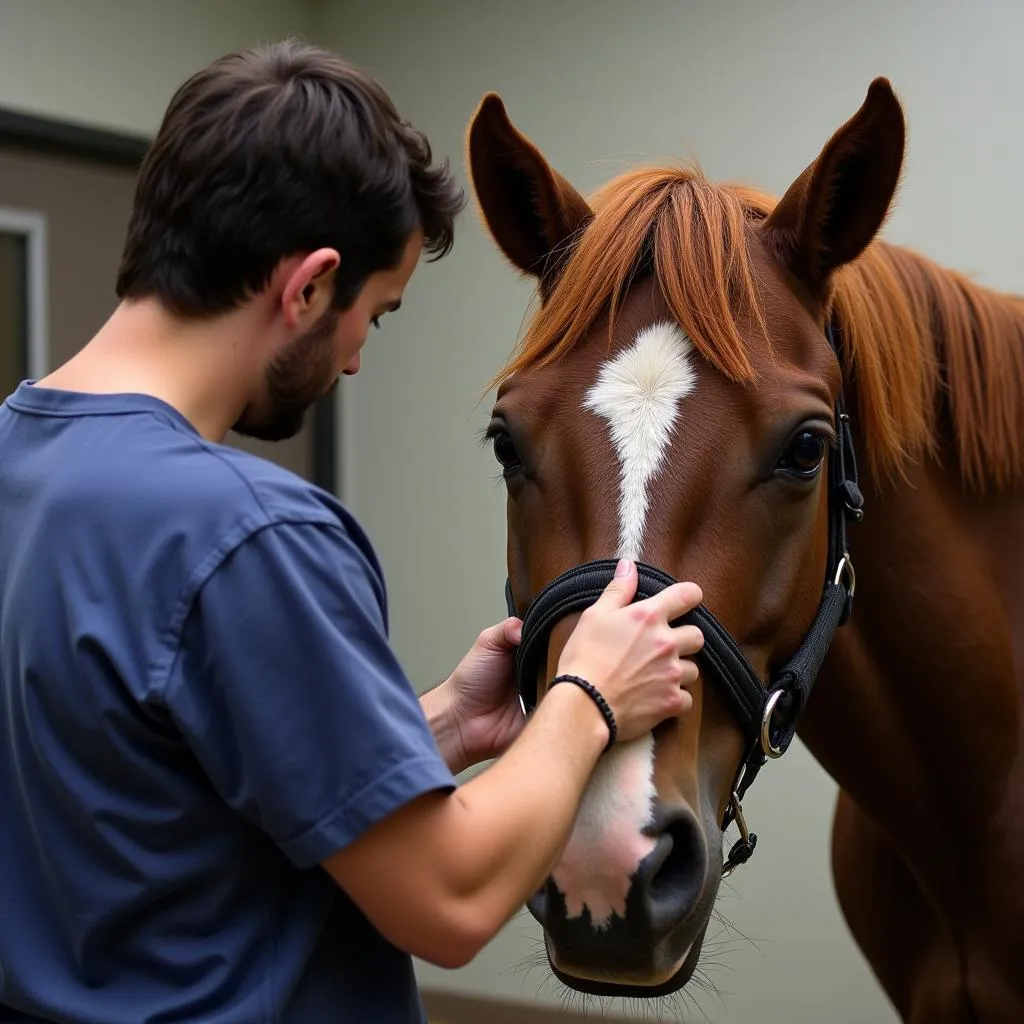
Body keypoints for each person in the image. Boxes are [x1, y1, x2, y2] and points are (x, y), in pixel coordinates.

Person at [0, 39, 705, 1024]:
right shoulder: (249, 535)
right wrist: (588, 696)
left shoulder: (19, 466)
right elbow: (450, 898)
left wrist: (447, 726)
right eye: (375, 314)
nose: (359, 358)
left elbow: (153, 796)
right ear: (309, 287)